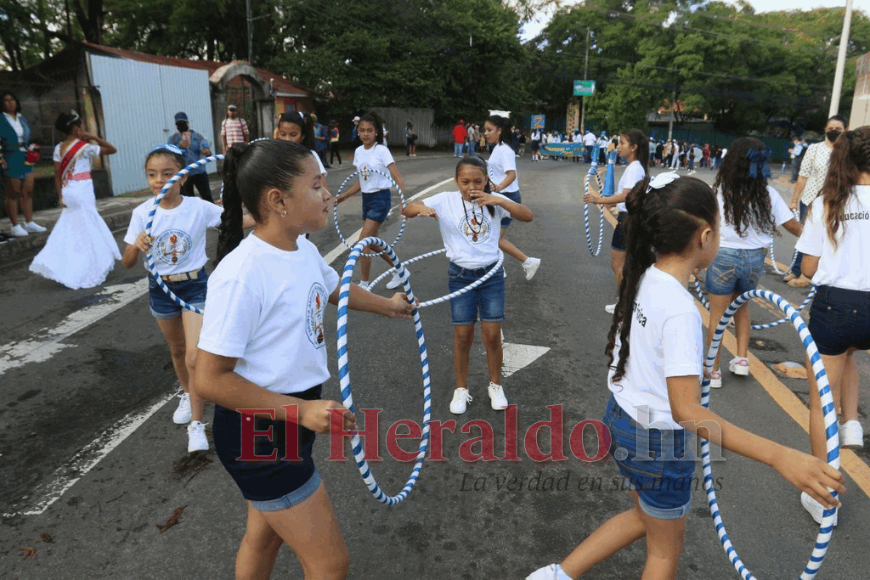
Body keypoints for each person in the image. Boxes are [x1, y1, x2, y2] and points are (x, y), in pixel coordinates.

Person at [526, 174, 844, 580]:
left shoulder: (646, 276)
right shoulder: (680, 310)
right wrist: (780, 455)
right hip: (657, 443)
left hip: (622, 421)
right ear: (706, 236)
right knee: (663, 552)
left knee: (644, 515)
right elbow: (687, 411)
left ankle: (555, 575)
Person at [195, 139, 414, 580]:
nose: (329, 195)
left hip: (286, 420)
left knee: (264, 535)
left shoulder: (302, 248)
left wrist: (386, 306)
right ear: (278, 200)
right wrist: (302, 411)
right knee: (330, 565)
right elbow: (210, 380)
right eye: (317, 186)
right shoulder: (242, 275)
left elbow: (332, 288)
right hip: (261, 434)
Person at [122, 145, 252, 453]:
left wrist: (269, 216)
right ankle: (186, 391)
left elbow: (234, 222)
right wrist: (137, 245)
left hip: (195, 286)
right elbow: (127, 262)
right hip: (160, 288)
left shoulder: (197, 207)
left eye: (168, 174)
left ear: (182, 177)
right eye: (152, 174)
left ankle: (196, 424)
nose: (159, 180)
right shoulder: (142, 213)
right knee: (178, 350)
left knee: (195, 356)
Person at [403, 156, 532, 414]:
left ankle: (495, 385)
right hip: (460, 276)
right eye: (465, 181)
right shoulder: (446, 200)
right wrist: (421, 210)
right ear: (456, 181)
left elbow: (527, 215)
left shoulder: (495, 202)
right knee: (463, 336)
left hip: (491, 277)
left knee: (493, 335)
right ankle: (461, 388)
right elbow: (406, 209)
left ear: (486, 180)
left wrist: (499, 199)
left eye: (477, 181)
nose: (471, 186)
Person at [796, 127, 870, 523]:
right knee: (852, 350)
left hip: (837, 306)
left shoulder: (829, 201)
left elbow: (807, 268)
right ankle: (853, 422)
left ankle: (823, 495)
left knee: (820, 400)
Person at [703, 138, 802, 389]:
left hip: (722, 256)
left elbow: (706, 224)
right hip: (754, 259)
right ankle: (742, 359)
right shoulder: (767, 194)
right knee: (741, 307)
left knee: (717, 314)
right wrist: (818, 243)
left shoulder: (720, 191)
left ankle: (713, 371)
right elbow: (790, 225)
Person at [29, 111, 120, 288]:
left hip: (68, 190)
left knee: (72, 227)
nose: (85, 128)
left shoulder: (59, 148)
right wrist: (93, 136)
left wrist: (60, 196)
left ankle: (69, 262)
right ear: (77, 128)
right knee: (87, 227)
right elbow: (112, 149)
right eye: (83, 126)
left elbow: (57, 175)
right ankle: (90, 264)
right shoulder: (84, 147)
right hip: (83, 190)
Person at [334, 112, 407, 291]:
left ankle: (365, 283)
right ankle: (401, 270)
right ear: (357, 132)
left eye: (369, 130)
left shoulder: (382, 150)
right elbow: (361, 180)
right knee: (373, 242)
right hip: (366, 199)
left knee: (362, 242)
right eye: (362, 130)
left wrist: (403, 202)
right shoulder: (358, 152)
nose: (365, 134)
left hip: (381, 198)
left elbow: (397, 176)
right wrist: (344, 195)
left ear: (376, 132)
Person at [584, 129, 649, 314]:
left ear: (634, 147)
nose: (618, 147)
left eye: (622, 143)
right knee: (626, 263)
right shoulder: (636, 167)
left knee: (618, 262)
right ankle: (626, 301)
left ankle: (625, 303)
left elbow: (627, 196)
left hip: (628, 220)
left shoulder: (635, 168)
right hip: (629, 217)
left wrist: (598, 200)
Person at [786, 115, 848, 287]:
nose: (834, 130)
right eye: (831, 127)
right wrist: (794, 200)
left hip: (836, 202)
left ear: (845, 131)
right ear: (825, 129)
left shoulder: (847, 152)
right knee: (807, 237)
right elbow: (803, 176)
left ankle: (820, 275)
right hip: (811, 200)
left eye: (838, 128)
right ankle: (797, 270)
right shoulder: (814, 149)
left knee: (833, 237)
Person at [484, 115, 541, 280]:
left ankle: (500, 269)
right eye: (485, 130)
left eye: (489, 130)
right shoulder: (498, 148)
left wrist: (498, 187)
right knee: (494, 237)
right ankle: (526, 262)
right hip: (500, 196)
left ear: (500, 131)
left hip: (506, 197)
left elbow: (512, 174)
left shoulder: (505, 150)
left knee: (492, 237)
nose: (485, 133)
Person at [1, 90, 46, 237]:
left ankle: (29, 222)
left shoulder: (22, 118)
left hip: (25, 155)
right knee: (13, 192)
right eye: (6, 100)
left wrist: (32, 148)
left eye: (12, 99)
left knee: (28, 190)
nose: (10, 102)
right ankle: (15, 225)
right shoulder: (1, 119)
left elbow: (28, 136)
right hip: (10, 156)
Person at [168, 112, 214, 203]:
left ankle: (213, 216)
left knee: (207, 198)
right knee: (188, 201)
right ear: (176, 125)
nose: (181, 125)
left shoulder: (198, 136)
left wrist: (208, 152)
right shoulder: (173, 139)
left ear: (188, 123)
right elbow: (169, 156)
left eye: (183, 123)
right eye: (179, 124)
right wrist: (179, 146)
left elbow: (208, 152)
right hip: (184, 175)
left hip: (199, 172)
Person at [273, 111, 326, 177]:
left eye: (293, 135)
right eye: (283, 134)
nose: (287, 139)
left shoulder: (310, 156)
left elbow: (321, 184)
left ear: (302, 136)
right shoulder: (272, 157)